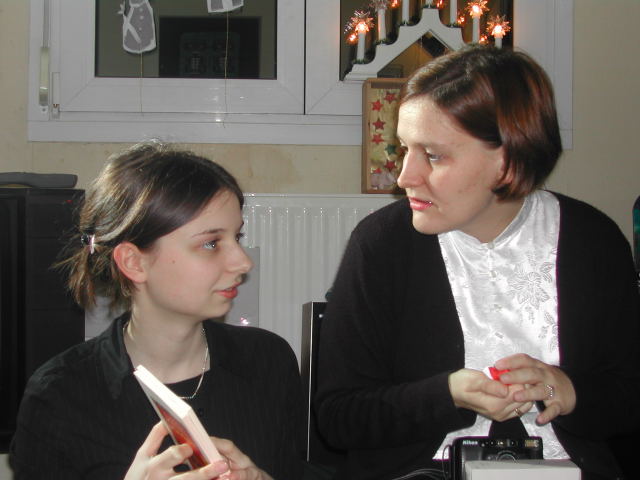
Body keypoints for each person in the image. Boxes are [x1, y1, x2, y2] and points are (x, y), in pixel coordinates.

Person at [314, 45, 640, 480]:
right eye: (403, 149)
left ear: (508, 160)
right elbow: (339, 417)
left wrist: (570, 391)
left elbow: (628, 399)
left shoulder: (592, 241)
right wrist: (447, 394)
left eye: (433, 155)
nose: (404, 176)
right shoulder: (382, 245)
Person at [10, 143, 305, 480]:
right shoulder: (60, 395)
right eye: (211, 243)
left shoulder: (268, 361)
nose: (243, 262)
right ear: (134, 262)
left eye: (236, 237)